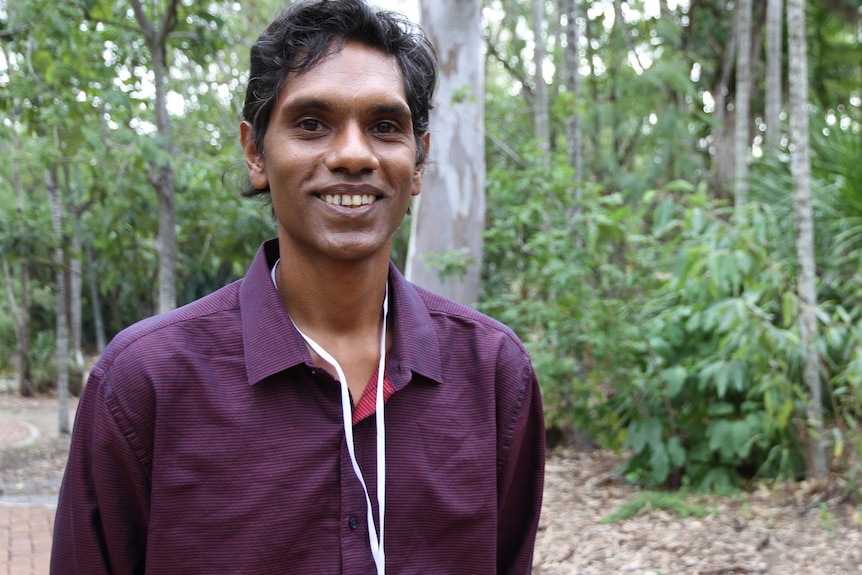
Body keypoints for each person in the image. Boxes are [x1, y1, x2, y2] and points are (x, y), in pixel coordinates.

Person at [50, 0, 545, 573]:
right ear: (255, 152)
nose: (354, 154)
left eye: (385, 126)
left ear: (418, 162)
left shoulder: (492, 375)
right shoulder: (145, 383)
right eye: (312, 123)